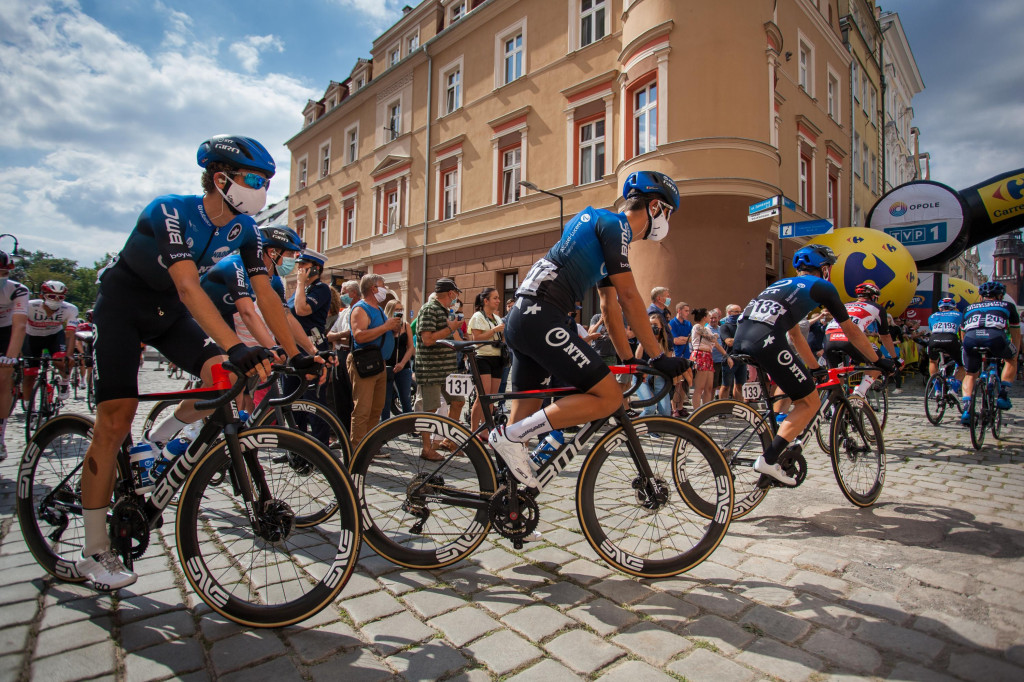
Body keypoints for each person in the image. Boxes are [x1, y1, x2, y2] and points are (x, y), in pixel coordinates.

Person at [77, 134, 311, 591]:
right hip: (124, 307)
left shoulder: (245, 230)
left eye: (267, 180)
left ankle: (158, 442)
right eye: (254, 178)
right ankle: (94, 548)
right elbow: (188, 285)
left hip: (168, 315)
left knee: (226, 375)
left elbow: (267, 296)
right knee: (114, 419)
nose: (262, 187)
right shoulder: (171, 210)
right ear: (220, 177)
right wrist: (235, 343)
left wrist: (300, 357)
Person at [491, 170, 688, 488]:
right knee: (609, 397)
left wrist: (629, 360)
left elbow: (610, 308)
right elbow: (629, 297)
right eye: (669, 212)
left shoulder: (602, 229)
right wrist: (657, 356)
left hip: (527, 318)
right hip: (542, 316)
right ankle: (510, 437)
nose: (668, 220)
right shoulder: (614, 226)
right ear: (655, 208)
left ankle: (508, 503)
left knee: (521, 426)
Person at [734, 245, 894, 486]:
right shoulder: (822, 287)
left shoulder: (779, 286)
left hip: (742, 338)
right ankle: (768, 460)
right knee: (810, 402)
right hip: (766, 340)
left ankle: (779, 442)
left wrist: (815, 368)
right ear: (825, 269)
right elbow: (850, 331)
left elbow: (796, 336)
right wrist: (878, 360)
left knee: (797, 392)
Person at [415, 277, 466, 461]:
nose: (456, 297)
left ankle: (449, 441)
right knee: (430, 409)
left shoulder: (445, 310)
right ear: (451, 293)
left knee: (458, 401)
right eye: (456, 293)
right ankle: (427, 448)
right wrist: (450, 328)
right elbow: (427, 340)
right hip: (431, 370)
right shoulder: (428, 309)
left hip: (447, 369)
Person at [348, 274, 401, 444]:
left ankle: (369, 446)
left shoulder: (378, 309)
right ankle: (356, 449)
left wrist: (391, 330)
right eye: (382, 285)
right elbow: (359, 336)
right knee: (362, 409)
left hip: (379, 363)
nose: (385, 289)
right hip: (365, 363)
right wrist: (386, 326)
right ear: (373, 288)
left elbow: (379, 331)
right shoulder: (360, 309)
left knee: (376, 408)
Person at [822, 282, 898, 397]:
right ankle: (860, 393)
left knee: (838, 378)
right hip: (850, 339)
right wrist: (894, 358)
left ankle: (835, 408)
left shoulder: (846, 305)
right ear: (874, 297)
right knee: (879, 361)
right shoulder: (877, 308)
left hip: (829, 339)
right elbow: (885, 336)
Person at [959, 280, 1020, 424]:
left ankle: (967, 409)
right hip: (995, 338)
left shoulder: (969, 308)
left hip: (971, 339)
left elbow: (963, 334)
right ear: (1000, 296)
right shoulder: (1007, 306)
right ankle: (1003, 395)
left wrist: (967, 348)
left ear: (981, 297)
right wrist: (1014, 353)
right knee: (1012, 359)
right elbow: (1016, 334)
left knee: (970, 374)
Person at [22, 280, 78, 401]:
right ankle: (28, 408)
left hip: (54, 337)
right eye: (52, 296)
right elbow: (18, 327)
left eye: (60, 297)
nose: (56, 300)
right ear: (42, 296)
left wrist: (69, 355)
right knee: (29, 375)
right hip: (31, 337)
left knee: (62, 361)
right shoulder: (29, 306)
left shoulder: (70, 309)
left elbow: (70, 334)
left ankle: (65, 382)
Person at [0, 251, 29, 460]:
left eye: (2, 272)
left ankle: (0, 435)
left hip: (6, 331)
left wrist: (9, 359)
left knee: (3, 380)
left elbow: (19, 326)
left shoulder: (17, 290)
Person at [468, 287, 506, 436]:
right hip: (482, 358)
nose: (498, 300)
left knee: (491, 397)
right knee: (482, 396)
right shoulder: (478, 316)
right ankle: (473, 431)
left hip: (497, 358)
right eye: (495, 298)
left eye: (498, 297)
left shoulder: (496, 318)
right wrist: (495, 330)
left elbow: (500, 337)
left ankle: (485, 431)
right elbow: (476, 340)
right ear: (486, 301)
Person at [688, 308, 731, 409]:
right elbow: (713, 339)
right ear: (704, 317)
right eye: (708, 316)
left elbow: (716, 343)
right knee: (699, 387)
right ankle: (697, 412)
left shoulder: (706, 329)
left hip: (708, 356)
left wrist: (727, 356)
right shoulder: (697, 327)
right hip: (700, 355)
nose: (710, 318)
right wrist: (715, 335)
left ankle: (705, 412)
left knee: (709, 387)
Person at [382, 298, 415, 419]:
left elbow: (410, 347)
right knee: (385, 400)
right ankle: (384, 430)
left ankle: (409, 426)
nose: (400, 312)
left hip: (403, 366)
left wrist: (402, 363)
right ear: (390, 311)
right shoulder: (384, 326)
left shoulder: (406, 326)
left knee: (405, 398)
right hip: (387, 366)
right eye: (397, 309)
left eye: (401, 309)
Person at [926, 297, 964, 380]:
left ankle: (937, 388)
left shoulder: (932, 316)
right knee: (962, 365)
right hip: (950, 339)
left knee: (932, 361)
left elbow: (932, 330)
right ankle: (955, 387)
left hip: (934, 339)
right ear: (954, 307)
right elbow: (962, 330)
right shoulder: (959, 314)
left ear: (940, 308)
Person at [668, 301, 693, 416]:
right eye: (686, 311)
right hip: (676, 356)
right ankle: (674, 409)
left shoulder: (688, 324)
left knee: (684, 384)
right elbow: (675, 341)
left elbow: (691, 339)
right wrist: (685, 339)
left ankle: (681, 407)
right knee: (677, 383)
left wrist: (684, 339)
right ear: (679, 310)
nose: (688, 313)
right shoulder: (672, 323)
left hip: (687, 357)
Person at [718, 304, 747, 400]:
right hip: (729, 359)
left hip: (741, 360)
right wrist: (742, 339)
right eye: (736, 312)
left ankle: (738, 407)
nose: (739, 314)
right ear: (729, 313)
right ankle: (722, 409)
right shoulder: (724, 327)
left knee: (739, 385)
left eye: (740, 312)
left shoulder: (742, 326)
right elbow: (729, 342)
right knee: (726, 386)